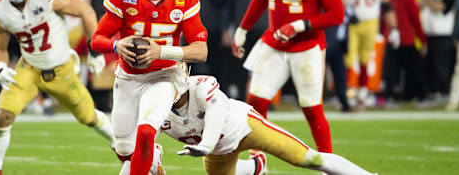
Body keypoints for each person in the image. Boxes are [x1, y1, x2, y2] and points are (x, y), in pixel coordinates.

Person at [0, 0, 113, 175]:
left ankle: (118, 144)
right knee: (4, 114)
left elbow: (85, 10)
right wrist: (1, 68)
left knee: (88, 117)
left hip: (61, 68)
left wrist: (95, 51)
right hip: (29, 67)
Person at [90, 0, 208, 175]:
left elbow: (201, 51)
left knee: (146, 131)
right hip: (128, 77)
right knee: (123, 149)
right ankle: (153, 161)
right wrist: (117, 46)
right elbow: (96, 39)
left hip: (165, 75)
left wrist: (161, 51)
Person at [232, 0, 344, 153]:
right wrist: (242, 29)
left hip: (307, 46)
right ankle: (257, 158)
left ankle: (329, 164)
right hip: (274, 43)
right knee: (255, 103)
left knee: (311, 108)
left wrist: (300, 25)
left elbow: (336, 15)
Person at [150, 75, 377, 175]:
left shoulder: (202, 85)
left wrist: (207, 144)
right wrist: (152, 159)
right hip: (217, 151)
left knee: (307, 158)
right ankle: (256, 166)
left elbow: (216, 116)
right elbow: (142, 143)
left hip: (245, 128)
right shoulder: (154, 107)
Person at [339, 0, 392, 106]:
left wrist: (393, 27)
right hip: (351, 21)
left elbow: (386, 2)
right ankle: (347, 91)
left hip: (371, 21)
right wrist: (346, 10)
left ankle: (363, 91)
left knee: (365, 58)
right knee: (348, 58)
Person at [228, 0, 267, 100]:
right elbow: (230, 4)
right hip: (242, 28)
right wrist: (229, 27)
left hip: (263, 27)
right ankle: (241, 99)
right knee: (240, 65)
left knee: (263, 66)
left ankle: (264, 99)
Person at [386, 0, 427, 102]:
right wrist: (422, 40)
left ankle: (392, 96)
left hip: (390, 35)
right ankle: (412, 95)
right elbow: (415, 18)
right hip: (407, 37)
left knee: (392, 69)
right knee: (412, 69)